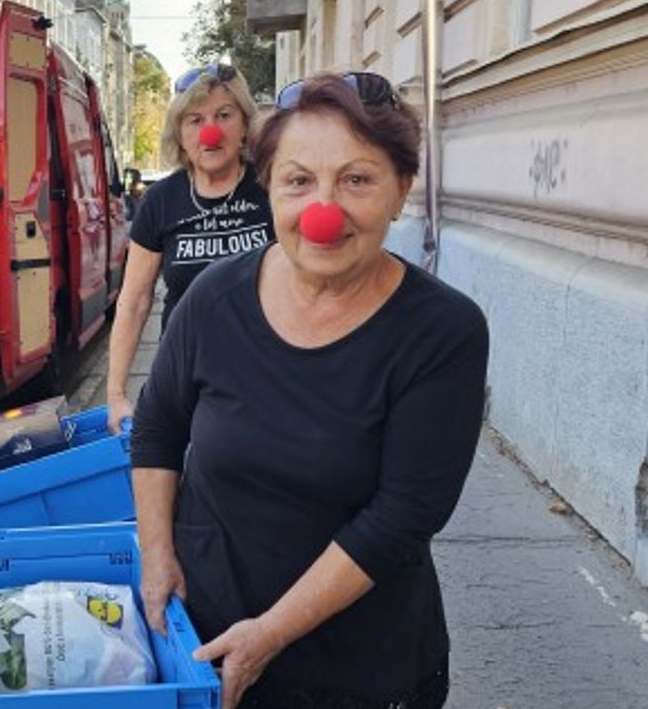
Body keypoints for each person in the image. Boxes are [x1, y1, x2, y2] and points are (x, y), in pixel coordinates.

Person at [130, 72, 490, 709]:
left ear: (401, 190)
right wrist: (158, 558)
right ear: (269, 186)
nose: (324, 211)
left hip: (360, 674)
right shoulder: (214, 297)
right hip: (209, 649)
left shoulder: (443, 331)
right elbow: (159, 429)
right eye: (299, 181)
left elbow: (401, 518)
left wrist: (269, 635)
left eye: (356, 179)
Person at [106, 64, 275, 433]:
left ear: (245, 125)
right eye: (195, 120)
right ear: (180, 135)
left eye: (224, 115)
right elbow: (134, 300)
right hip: (188, 374)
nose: (210, 131)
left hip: (269, 373)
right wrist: (117, 395)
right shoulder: (160, 201)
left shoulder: (273, 191)